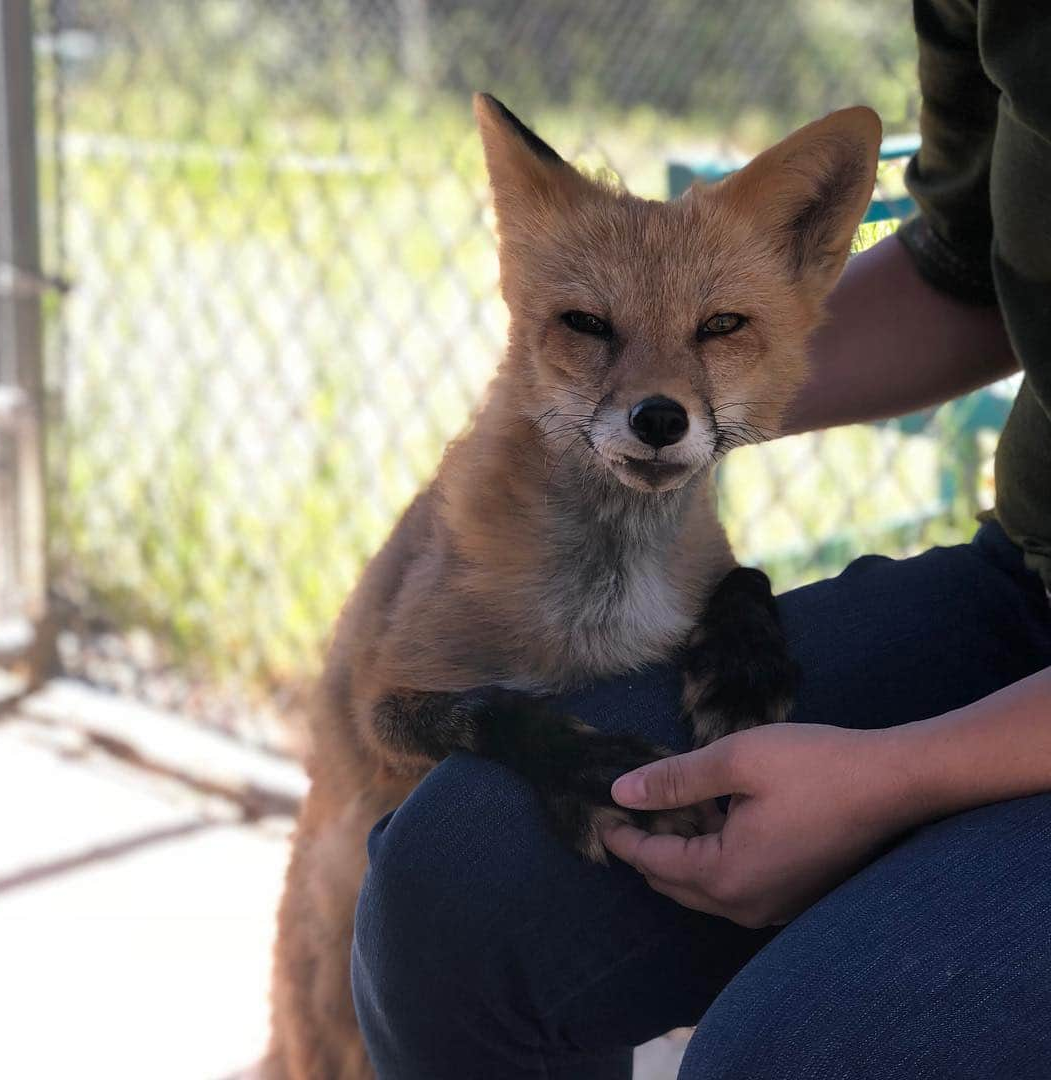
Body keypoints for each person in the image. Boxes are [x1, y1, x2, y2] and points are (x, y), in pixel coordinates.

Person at [351, 3, 1051, 1076]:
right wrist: (594, 412)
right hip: (1033, 580)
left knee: (779, 1055)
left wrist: (900, 776)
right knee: (445, 885)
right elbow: (968, 269)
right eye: (590, 329)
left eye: (714, 333)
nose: (653, 389)